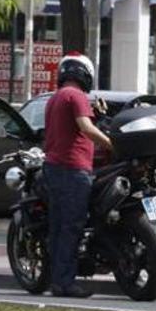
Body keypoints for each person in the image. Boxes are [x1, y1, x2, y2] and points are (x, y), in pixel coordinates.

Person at [43, 52, 113, 298]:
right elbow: (86, 127)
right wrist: (110, 143)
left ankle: (57, 279)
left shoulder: (56, 98)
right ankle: (66, 283)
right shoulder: (77, 96)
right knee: (72, 226)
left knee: (60, 227)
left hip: (54, 167)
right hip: (72, 169)